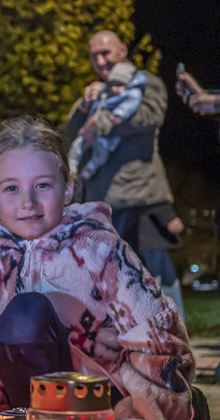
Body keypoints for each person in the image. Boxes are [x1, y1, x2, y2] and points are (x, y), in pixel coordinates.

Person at [0, 117, 216, 420]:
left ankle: (191, 415)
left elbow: (156, 331)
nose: (28, 202)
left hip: (107, 399)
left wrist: (148, 415)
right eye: (11, 188)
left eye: (42, 186)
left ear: (68, 188)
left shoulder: (99, 249)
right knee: (24, 318)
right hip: (33, 407)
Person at [63, 30, 173, 255]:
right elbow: (67, 137)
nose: (100, 61)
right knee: (110, 281)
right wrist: (84, 107)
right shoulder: (95, 94)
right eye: (94, 55)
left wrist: (100, 121)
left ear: (122, 50)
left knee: (154, 280)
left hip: (139, 200)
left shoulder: (144, 83)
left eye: (106, 53)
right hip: (99, 203)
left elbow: (150, 117)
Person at [67, 62, 145, 181]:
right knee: (76, 147)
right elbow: (69, 132)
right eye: (112, 84)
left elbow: (137, 113)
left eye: (119, 85)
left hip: (123, 178)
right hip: (90, 137)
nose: (115, 88)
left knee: (102, 150)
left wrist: (115, 116)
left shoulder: (133, 94)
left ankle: (91, 167)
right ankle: (71, 169)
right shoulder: (102, 94)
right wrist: (87, 108)